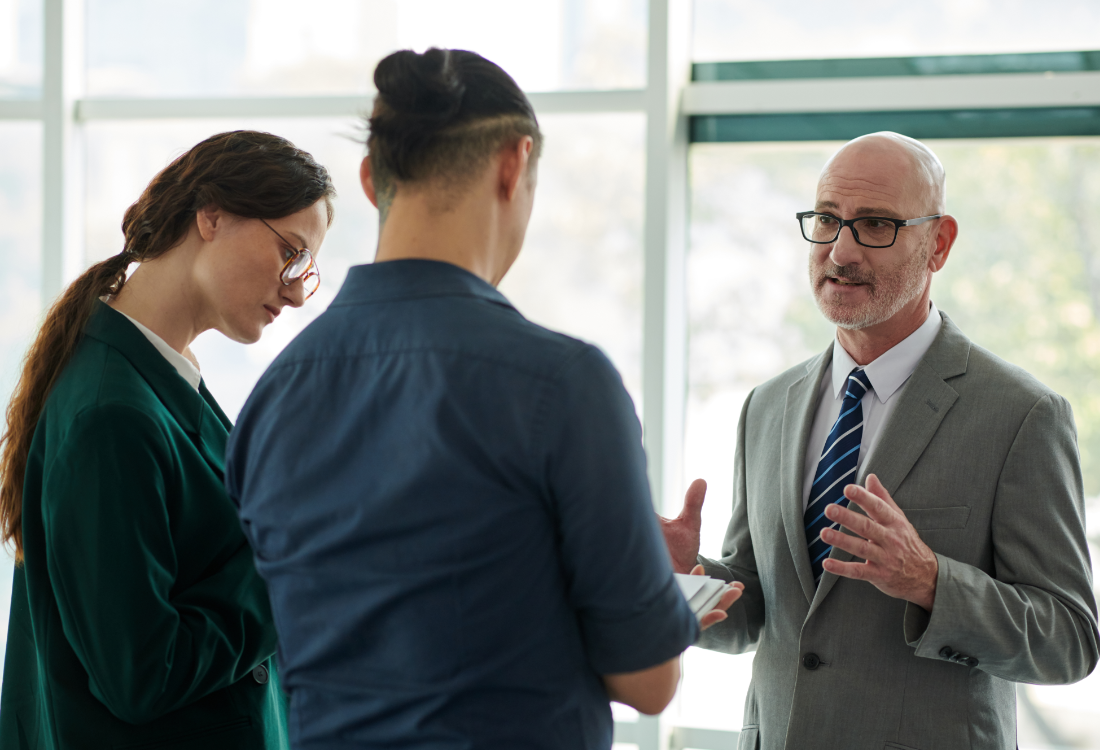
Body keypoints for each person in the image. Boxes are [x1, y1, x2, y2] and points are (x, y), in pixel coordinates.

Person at [225, 48, 740, 750]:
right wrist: (651, 589)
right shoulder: (563, 383)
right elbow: (646, 683)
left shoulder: (272, 397)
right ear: (513, 164)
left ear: (373, 179)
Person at [661, 132, 1100, 750]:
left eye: (874, 226)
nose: (840, 250)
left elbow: (1069, 642)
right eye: (827, 220)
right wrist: (684, 578)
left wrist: (929, 580)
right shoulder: (767, 406)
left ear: (938, 244)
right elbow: (761, 609)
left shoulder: (1023, 416)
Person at [0, 130, 334, 750]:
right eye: (290, 253)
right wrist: (287, 563)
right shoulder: (112, 415)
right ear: (211, 215)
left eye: (305, 270)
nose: (294, 291)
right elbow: (140, 676)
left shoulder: (157, 375)